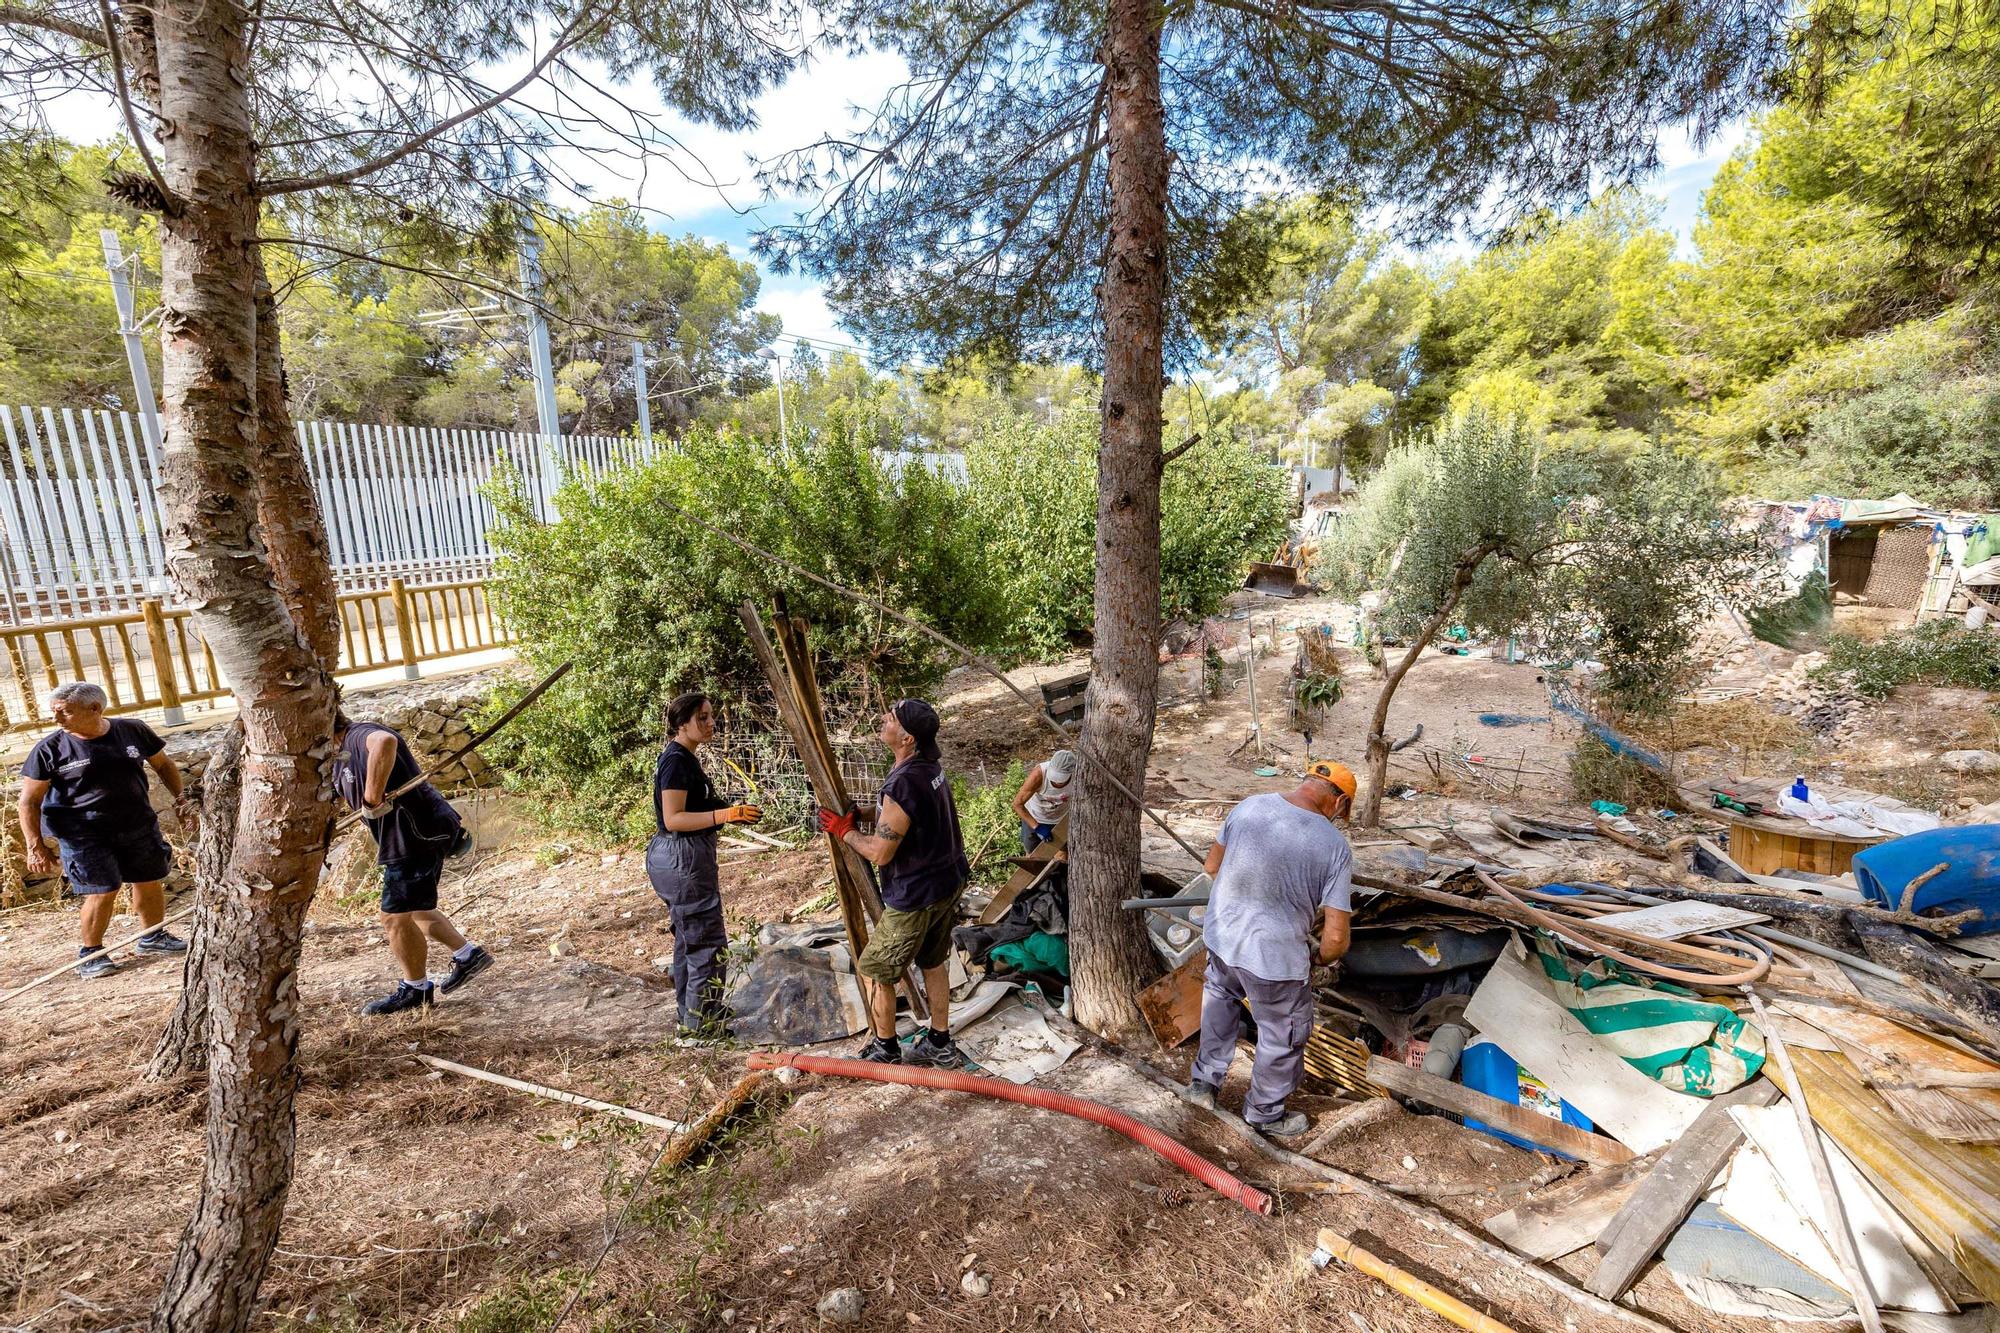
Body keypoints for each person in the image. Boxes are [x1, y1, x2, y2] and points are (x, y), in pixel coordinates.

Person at [1187, 759, 1356, 1138]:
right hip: (1274, 959)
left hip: (1223, 938)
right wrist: (1319, 959)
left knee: (1220, 1004)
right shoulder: (1334, 846)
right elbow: (1336, 939)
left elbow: (1212, 866)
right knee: (1283, 1034)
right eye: (1343, 811)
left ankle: (1203, 1084)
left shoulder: (1249, 806)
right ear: (1340, 802)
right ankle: (1264, 1112)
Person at [818, 698, 970, 1068]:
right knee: (933, 961)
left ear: (907, 738)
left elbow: (880, 852)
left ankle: (885, 1049)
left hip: (917, 893)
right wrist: (864, 814)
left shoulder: (902, 782)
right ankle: (939, 1042)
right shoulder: (928, 767)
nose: (884, 719)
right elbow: (905, 814)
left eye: (893, 718)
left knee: (874, 970)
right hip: (947, 881)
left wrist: (845, 831)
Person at [17, 682, 187, 978]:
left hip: (137, 823)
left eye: (65, 712)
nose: (56, 719)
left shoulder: (132, 730)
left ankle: (153, 936)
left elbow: (163, 765)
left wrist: (182, 799)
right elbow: (29, 802)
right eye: (54, 712)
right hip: (82, 833)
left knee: (148, 879)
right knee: (103, 888)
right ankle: (91, 953)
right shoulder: (50, 749)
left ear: (95, 708)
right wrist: (36, 845)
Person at [332, 709, 489, 1015]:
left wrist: (372, 797)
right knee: (414, 908)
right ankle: (468, 955)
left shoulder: (358, 735)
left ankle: (415, 989)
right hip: (407, 836)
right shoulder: (336, 758)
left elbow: (385, 742)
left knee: (394, 917)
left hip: (416, 834)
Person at [646, 691, 761, 1039]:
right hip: (682, 858)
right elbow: (674, 818)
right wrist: (725, 814)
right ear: (682, 724)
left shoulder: (684, 756)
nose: (711, 723)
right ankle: (700, 1027)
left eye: (711, 716)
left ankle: (694, 1013)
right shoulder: (676, 762)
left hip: (679, 856)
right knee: (706, 942)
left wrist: (729, 811)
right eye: (703, 718)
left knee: (688, 940)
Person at [1010, 748, 1077, 854]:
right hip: (1034, 817)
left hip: (1061, 820)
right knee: (1032, 854)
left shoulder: (1078, 776)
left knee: (1063, 853)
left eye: (1060, 780)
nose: (1056, 782)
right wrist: (1036, 826)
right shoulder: (1039, 774)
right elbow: (1017, 804)